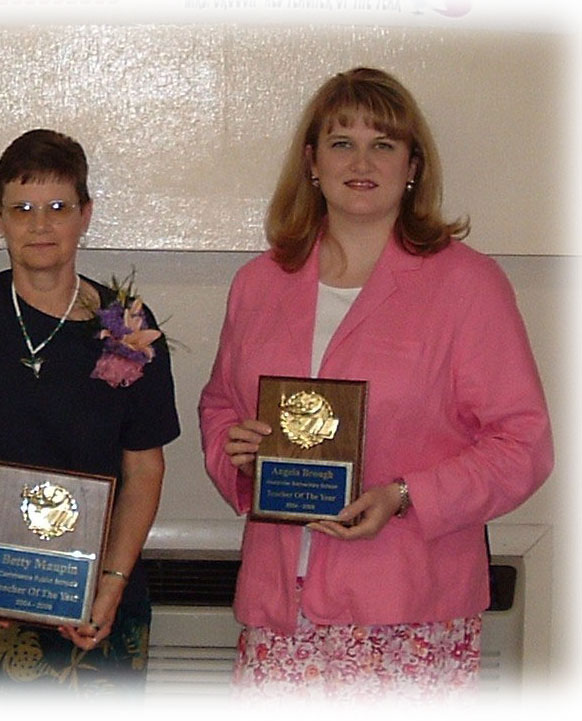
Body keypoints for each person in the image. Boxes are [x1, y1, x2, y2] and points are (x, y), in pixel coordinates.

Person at [198, 67, 553, 698]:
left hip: (411, 613)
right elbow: (221, 405)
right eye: (341, 144)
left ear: (412, 166)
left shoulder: (467, 285)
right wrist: (240, 455)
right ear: (312, 162)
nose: (361, 161)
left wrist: (407, 494)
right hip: (281, 612)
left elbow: (523, 444)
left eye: (383, 145)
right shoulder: (260, 283)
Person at [0, 129, 180, 696]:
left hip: (94, 601)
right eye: (23, 208)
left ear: (86, 215)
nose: (41, 225)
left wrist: (111, 582)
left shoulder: (126, 325)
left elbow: (145, 470)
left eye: (59, 207)